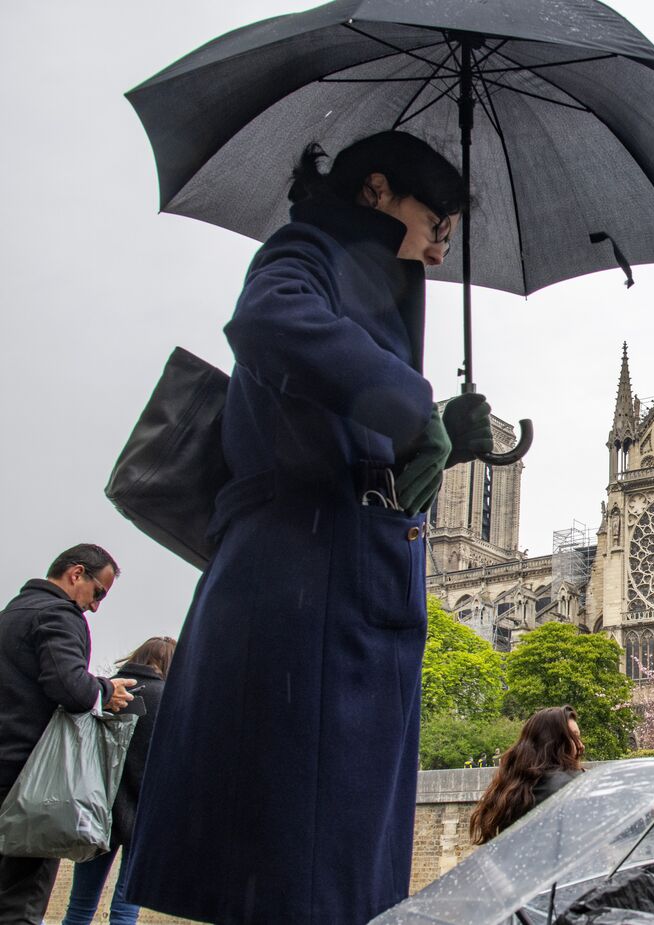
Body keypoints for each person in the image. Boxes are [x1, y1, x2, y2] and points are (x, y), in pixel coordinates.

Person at [125, 132, 496, 925]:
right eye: (438, 223)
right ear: (375, 192)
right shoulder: (306, 253)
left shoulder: (370, 283)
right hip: (310, 575)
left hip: (348, 574)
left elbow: (355, 437)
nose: (438, 250)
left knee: (329, 872)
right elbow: (267, 321)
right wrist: (406, 403)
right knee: (297, 868)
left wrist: (438, 431)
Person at [0, 544, 135, 924]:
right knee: (20, 904)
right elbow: (71, 689)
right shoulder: (59, 615)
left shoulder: (10, 614)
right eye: (98, 593)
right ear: (76, 574)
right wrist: (106, 691)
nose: (95, 607)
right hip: (28, 786)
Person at [60, 636, 176, 925]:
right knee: (126, 909)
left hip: (96, 813)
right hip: (143, 818)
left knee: (79, 907)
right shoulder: (169, 700)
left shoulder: (105, 692)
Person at [468, 706, 586, 844]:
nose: (581, 745)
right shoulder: (572, 786)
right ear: (554, 743)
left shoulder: (514, 789)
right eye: (574, 737)